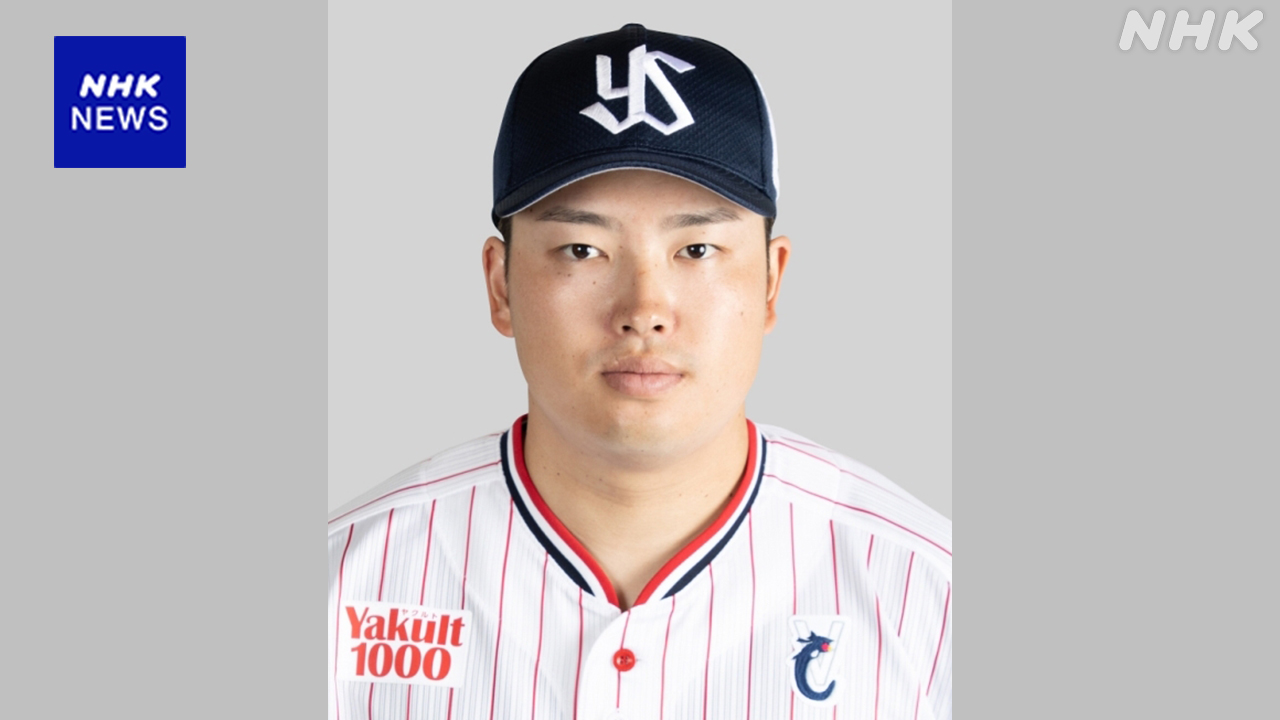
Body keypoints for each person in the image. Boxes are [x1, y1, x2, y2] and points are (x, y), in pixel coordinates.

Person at [328, 24, 950, 720]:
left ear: (772, 282)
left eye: (697, 249)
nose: (644, 311)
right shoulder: (339, 585)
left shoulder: (930, 594)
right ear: (500, 286)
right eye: (581, 250)